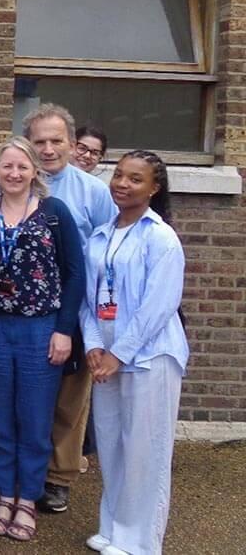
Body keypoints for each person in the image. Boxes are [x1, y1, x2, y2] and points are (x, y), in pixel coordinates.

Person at [0, 137, 83, 542]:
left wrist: (64, 329)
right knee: (0, 417)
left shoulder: (55, 214)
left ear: (34, 171)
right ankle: (4, 495)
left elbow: (75, 273)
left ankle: (28, 500)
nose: (14, 173)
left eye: (22, 167)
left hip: (42, 327)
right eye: (7, 166)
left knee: (35, 418)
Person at [81, 151, 187, 555]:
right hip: (106, 356)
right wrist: (93, 344)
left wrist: (119, 353)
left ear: (154, 188)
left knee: (146, 450)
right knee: (112, 444)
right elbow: (89, 301)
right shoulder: (101, 235)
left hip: (148, 358)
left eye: (135, 179)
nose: (123, 184)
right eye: (119, 175)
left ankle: (140, 542)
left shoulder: (160, 237)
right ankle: (113, 528)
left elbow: (158, 306)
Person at [23, 103, 116, 514]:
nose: (47, 149)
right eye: (39, 141)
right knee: (17, 392)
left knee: (68, 398)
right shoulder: (12, 181)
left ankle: (58, 476)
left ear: (72, 143)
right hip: (20, 307)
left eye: (55, 141)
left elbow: (109, 253)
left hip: (73, 308)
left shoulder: (93, 192)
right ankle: (6, 468)